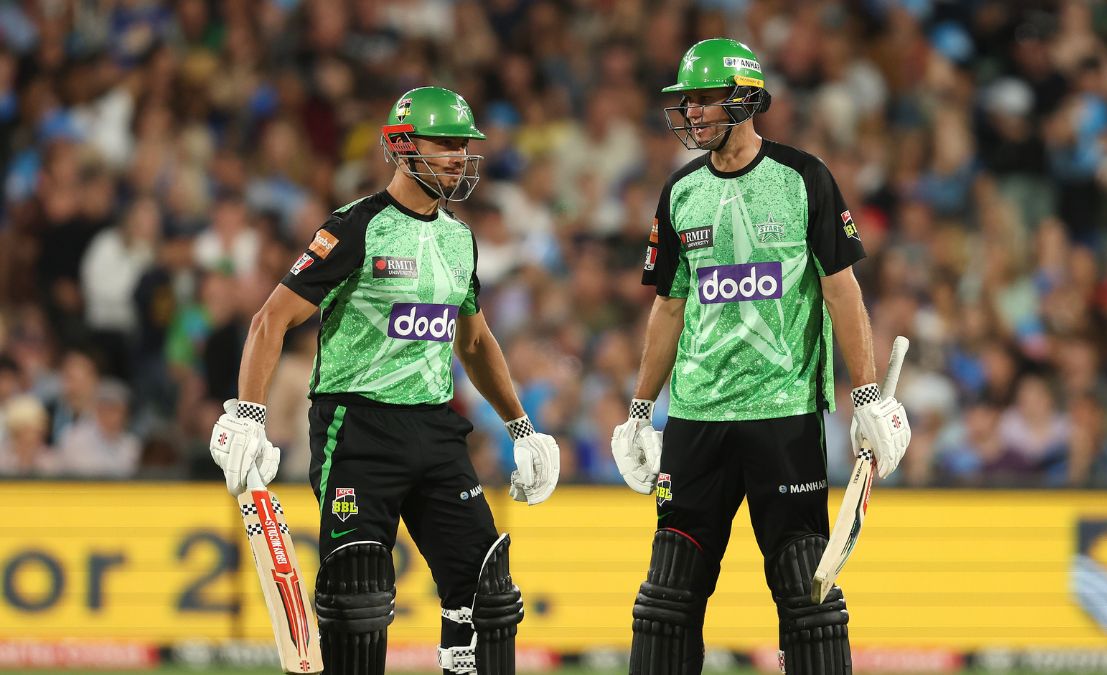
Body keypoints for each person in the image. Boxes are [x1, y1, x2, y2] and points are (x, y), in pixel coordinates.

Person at [208, 86, 560, 675]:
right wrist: (248, 415)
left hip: (435, 427)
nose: (458, 157)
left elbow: (472, 340)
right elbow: (270, 318)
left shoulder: (457, 238)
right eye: (444, 143)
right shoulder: (356, 227)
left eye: (463, 146)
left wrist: (521, 428)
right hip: (357, 429)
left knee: (487, 596)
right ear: (401, 146)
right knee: (358, 598)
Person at [611, 39, 912, 674]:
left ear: (745, 101)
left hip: (785, 414)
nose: (691, 113)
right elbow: (668, 308)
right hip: (696, 419)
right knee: (667, 598)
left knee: (807, 593)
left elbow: (841, 289)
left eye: (705, 100)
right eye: (686, 102)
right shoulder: (679, 191)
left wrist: (866, 395)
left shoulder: (805, 178)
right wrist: (640, 410)